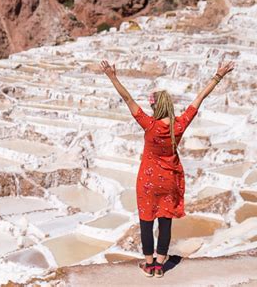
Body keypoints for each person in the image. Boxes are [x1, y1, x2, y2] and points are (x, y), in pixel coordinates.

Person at [100, 59, 235, 278]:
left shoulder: (149, 125)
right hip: (170, 179)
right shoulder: (179, 125)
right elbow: (200, 98)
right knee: (165, 222)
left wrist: (112, 76)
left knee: (146, 221)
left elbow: (127, 98)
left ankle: (148, 265)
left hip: (148, 181)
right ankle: (160, 267)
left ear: (155, 106)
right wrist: (218, 76)